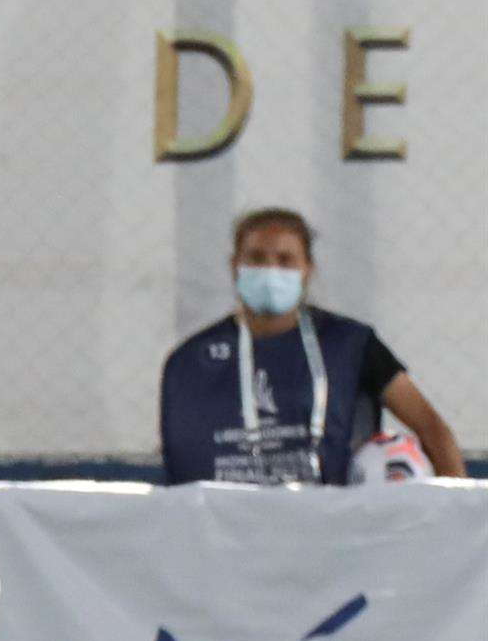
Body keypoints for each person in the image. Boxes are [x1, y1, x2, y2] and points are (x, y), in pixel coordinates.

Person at [160, 207, 462, 485]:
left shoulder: (352, 344)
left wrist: (455, 518)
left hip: (335, 527)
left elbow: (433, 430)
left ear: (308, 269)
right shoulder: (190, 360)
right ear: (234, 266)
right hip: (233, 530)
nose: (270, 271)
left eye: (285, 260)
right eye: (256, 258)